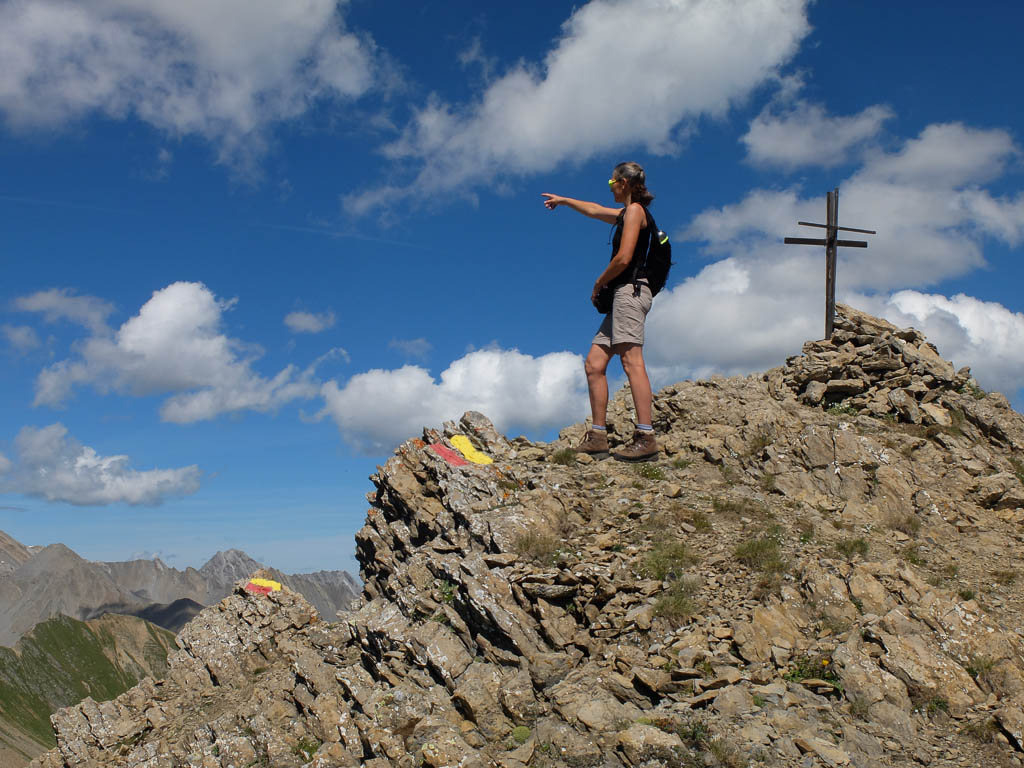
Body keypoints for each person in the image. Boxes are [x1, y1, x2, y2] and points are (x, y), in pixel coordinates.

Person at [542, 161, 659, 462]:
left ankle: (646, 436)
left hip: (630, 291)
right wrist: (566, 201)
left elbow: (624, 258)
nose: (609, 188)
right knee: (595, 363)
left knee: (631, 360)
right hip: (622, 296)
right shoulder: (625, 214)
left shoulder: (635, 212)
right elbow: (594, 210)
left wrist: (599, 282)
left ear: (624, 183)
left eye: (611, 183)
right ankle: (597, 437)